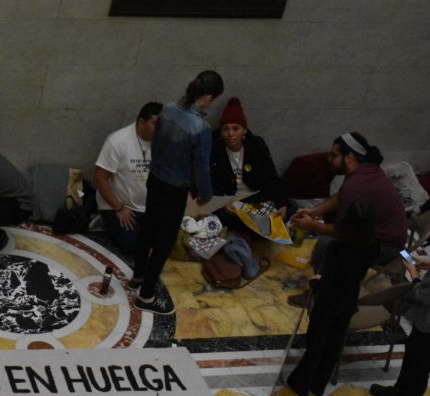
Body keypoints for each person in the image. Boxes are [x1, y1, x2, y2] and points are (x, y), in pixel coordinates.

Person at [131, 70, 224, 315]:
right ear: (208, 97)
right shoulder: (200, 128)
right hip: (175, 188)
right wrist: (205, 193)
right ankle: (147, 295)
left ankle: (138, 276)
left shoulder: (168, 109)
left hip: (155, 179)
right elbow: (201, 167)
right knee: (164, 241)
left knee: (148, 228)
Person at [288, 132, 406, 306]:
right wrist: (314, 211)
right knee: (329, 241)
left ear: (350, 157)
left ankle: (319, 293)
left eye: (334, 155)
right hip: (391, 237)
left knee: (325, 245)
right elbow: (340, 196)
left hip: (387, 247)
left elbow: (343, 232)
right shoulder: (366, 170)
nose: (329, 159)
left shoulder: (357, 185)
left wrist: (311, 225)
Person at [285, 199, 379, 396]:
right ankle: (319, 384)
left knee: (317, 341)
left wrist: (315, 282)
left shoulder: (338, 249)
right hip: (350, 298)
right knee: (335, 341)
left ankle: (302, 382)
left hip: (330, 300)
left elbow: (328, 285)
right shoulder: (374, 246)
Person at [93, 101, 162, 256]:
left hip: (147, 205)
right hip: (119, 206)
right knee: (134, 248)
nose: (160, 129)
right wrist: (119, 208)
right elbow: (99, 178)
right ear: (141, 121)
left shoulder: (162, 141)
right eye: (155, 124)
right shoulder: (118, 141)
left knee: (165, 242)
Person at [210, 97, 291, 226]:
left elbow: (271, 176)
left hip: (255, 198)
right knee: (218, 217)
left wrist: (282, 203)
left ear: (244, 131)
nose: (230, 134)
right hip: (229, 199)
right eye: (226, 129)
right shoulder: (214, 148)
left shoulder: (256, 145)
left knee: (288, 208)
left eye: (235, 129)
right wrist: (224, 203)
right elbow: (209, 181)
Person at [371, 255, 430, 396]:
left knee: (420, 367)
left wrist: (414, 276)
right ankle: (400, 392)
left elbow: (424, 296)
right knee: (412, 354)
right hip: (424, 324)